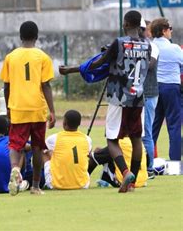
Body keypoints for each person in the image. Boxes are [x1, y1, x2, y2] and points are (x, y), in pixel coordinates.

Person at [61, 10, 151, 193]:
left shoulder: (119, 43)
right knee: (136, 140)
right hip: (138, 98)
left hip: (119, 97)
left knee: (112, 139)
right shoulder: (148, 45)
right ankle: (132, 183)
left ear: (125, 24)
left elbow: (98, 63)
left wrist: (71, 69)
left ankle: (125, 173)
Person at [0, 21, 55, 196]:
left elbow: (6, 85)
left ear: (20, 37)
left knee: (15, 145)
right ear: (37, 36)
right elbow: (45, 85)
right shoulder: (43, 57)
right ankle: (36, 186)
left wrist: (8, 107)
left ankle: (15, 168)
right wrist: (52, 111)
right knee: (38, 147)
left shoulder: (11, 57)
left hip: (17, 107)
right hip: (37, 108)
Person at [150, 18, 182, 161]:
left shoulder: (150, 46)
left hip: (154, 88)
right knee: (174, 125)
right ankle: (175, 162)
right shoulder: (174, 48)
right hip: (171, 87)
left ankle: (147, 162)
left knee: (153, 125)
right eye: (170, 28)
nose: (171, 31)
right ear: (164, 31)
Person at [43, 110, 92, 190]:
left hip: (56, 185)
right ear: (79, 124)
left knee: (44, 152)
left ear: (64, 123)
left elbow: (41, 147)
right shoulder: (87, 139)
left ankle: (41, 181)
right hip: (83, 184)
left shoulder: (53, 139)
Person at [141, 20, 159, 178]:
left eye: (145, 29)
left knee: (146, 132)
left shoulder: (152, 46)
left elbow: (150, 65)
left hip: (148, 93)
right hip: (137, 93)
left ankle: (149, 168)